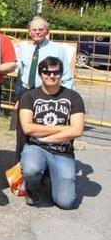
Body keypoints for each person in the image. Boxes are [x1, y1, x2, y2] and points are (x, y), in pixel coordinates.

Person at [19, 56, 85, 209]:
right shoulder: (29, 97)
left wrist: (43, 137)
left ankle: (51, 175)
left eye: (56, 72)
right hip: (36, 147)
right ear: (40, 74)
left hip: (62, 151)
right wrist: (63, 128)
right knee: (31, 168)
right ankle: (32, 187)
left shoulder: (73, 97)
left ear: (61, 74)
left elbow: (77, 130)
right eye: (46, 72)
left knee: (66, 203)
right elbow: (28, 128)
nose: (51, 76)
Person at [14, 17, 75, 156]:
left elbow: (66, 76)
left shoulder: (57, 49)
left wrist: (67, 100)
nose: (37, 32)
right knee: (22, 132)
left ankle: (45, 167)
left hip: (47, 94)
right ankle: (20, 167)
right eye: (34, 30)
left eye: (40, 29)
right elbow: (21, 74)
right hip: (26, 94)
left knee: (43, 130)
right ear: (29, 32)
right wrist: (18, 97)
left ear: (47, 31)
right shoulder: (26, 49)